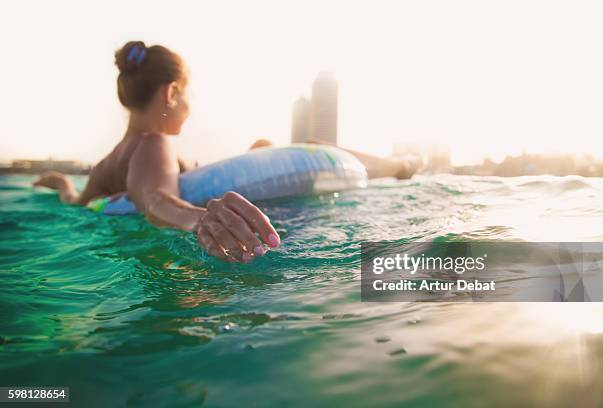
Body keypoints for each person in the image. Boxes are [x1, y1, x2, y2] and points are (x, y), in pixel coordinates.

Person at [34, 41, 420, 263]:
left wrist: (62, 185)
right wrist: (201, 219)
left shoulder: (110, 162)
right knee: (314, 147)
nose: (189, 105)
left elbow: (77, 201)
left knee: (262, 148)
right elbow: (155, 199)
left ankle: (401, 164)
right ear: (171, 93)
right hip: (174, 231)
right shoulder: (154, 144)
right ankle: (402, 164)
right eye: (187, 94)